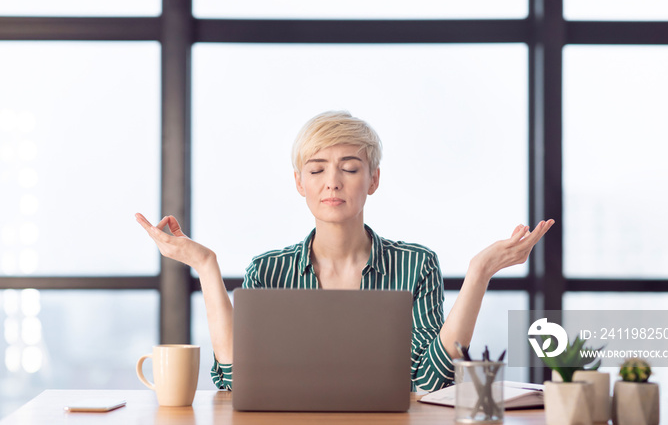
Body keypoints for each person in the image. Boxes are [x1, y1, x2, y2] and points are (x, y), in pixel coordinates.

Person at [136, 110, 554, 392]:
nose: (332, 182)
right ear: (300, 184)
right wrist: (206, 266)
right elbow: (234, 379)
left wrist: (478, 273)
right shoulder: (268, 271)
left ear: (373, 179)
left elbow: (431, 381)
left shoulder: (415, 264)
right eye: (317, 170)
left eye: (350, 168)